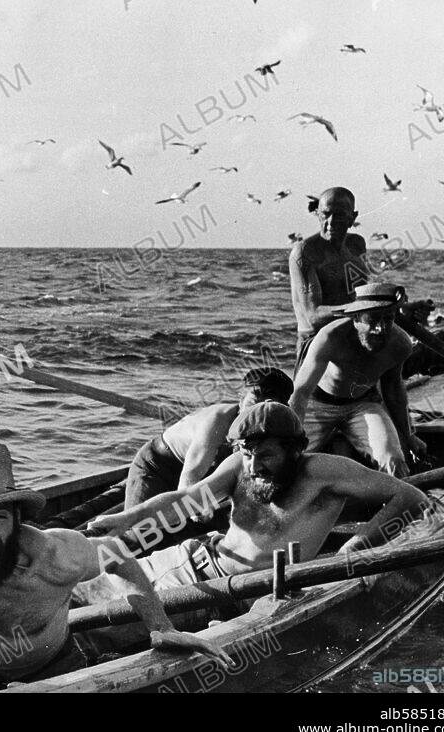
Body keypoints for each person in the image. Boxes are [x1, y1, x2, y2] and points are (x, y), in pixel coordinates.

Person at [0, 442, 231, 693]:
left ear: (17, 520)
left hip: (55, 671)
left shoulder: (54, 555)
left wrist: (160, 627)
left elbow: (119, 555)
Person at [87, 403, 430, 595]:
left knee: (110, 622)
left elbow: (411, 497)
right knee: (81, 591)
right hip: (193, 562)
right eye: (248, 454)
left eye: (265, 455)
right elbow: (187, 499)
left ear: (295, 450)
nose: (254, 465)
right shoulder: (241, 465)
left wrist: (354, 549)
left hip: (240, 593)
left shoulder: (326, 472)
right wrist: (126, 520)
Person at [290, 282, 427, 478]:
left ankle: (401, 505)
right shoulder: (330, 338)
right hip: (317, 404)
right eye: (372, 320)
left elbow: (394, 392)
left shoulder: (401, 344)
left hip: (362, 405)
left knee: (393, 459)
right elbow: (300, 392)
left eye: (388, 320)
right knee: (290, 461)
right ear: (355, 318)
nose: (380, 329)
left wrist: (409, 436)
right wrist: (292, 435)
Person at [126, 367, 294, 510]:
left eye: (263, 409)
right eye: (251, 406)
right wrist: (195, 509)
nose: (255, 415)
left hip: (206, 472)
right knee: (138, 533)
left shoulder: (279, 425)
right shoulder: (218, 421)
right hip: (159, 465)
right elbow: (190, 475)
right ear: (240, 401)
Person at [288, 187, 369, 373]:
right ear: (318, 214)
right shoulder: (305, 252)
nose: (331, 222)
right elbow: (314, 316)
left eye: (339, 215)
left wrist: (397, 306)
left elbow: (364, 295)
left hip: (353, 333)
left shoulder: (356, 245)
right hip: (316, 342)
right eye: (325, 214)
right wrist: (366, 309)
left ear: (352, 218)